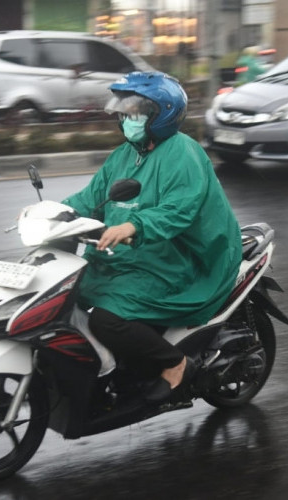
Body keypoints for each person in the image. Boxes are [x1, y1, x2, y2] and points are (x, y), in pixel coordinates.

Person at [61, 71, 242, 403]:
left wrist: (134, 226)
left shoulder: (183, 154)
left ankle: (175, 365)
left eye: (135, 114)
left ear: (161, 115)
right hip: (135, 257)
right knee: (69, 292)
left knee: (107, 318)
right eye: (124, 114)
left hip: (183, 261)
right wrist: (53, 213)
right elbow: (91, 199)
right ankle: (124, 366)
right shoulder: (124, 155)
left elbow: (178, 210)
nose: (127, 121)